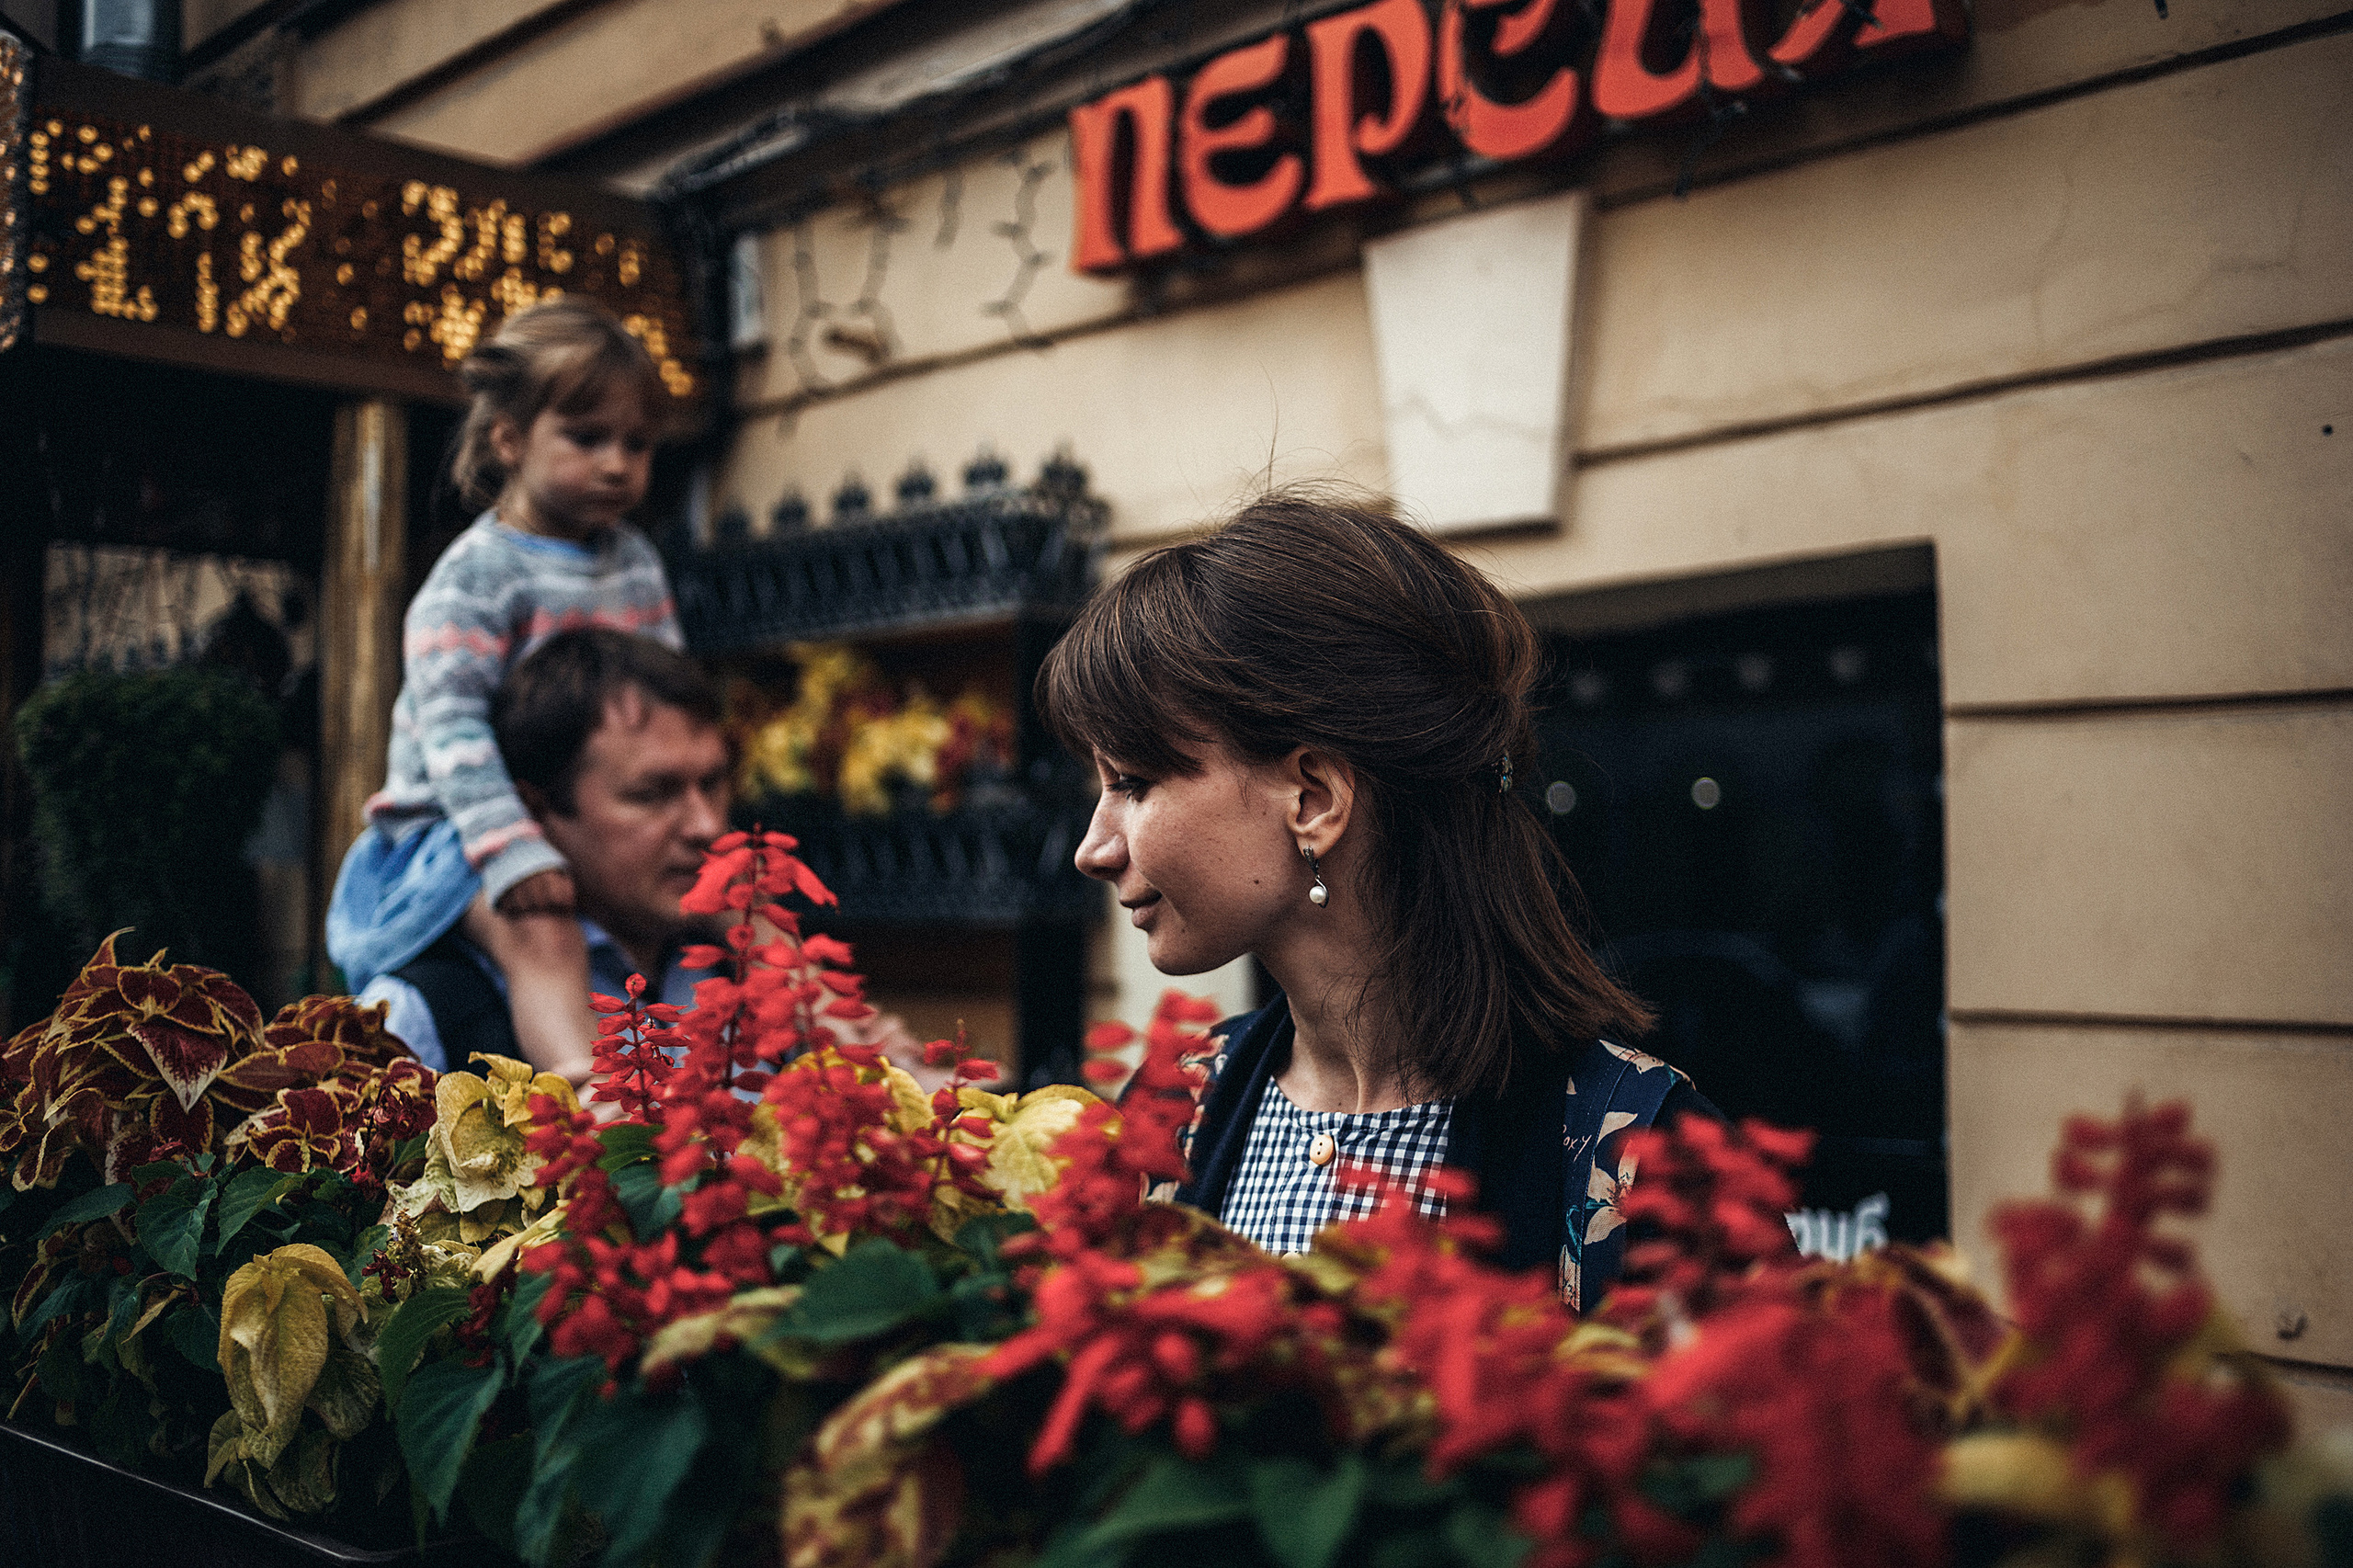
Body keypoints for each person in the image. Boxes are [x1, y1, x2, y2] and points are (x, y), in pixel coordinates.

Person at [1039, 486, 1717, 1311]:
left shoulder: (1640, 1151)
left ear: (1315, 800)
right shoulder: (1177, 1100)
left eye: (1133, 783)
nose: (1092, 848)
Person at [326, 300, 678, 1085]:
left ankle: (838, 1060)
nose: (618, 463)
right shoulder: (478, 575)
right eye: (587, 438)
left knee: (739, 908)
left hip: (578, 819)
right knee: (542, 927)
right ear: (509, 439)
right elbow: (451, 731)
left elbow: (666, 704)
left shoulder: (635, 560)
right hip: (457, 832)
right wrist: (513, 849)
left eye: (637, 443)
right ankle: (589, 1086)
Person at [355, 629, 728, 1074]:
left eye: (712, 783)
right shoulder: (420, 1018)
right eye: (650, 794)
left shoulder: (756, 979)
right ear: (535, 810)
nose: (707, 826)